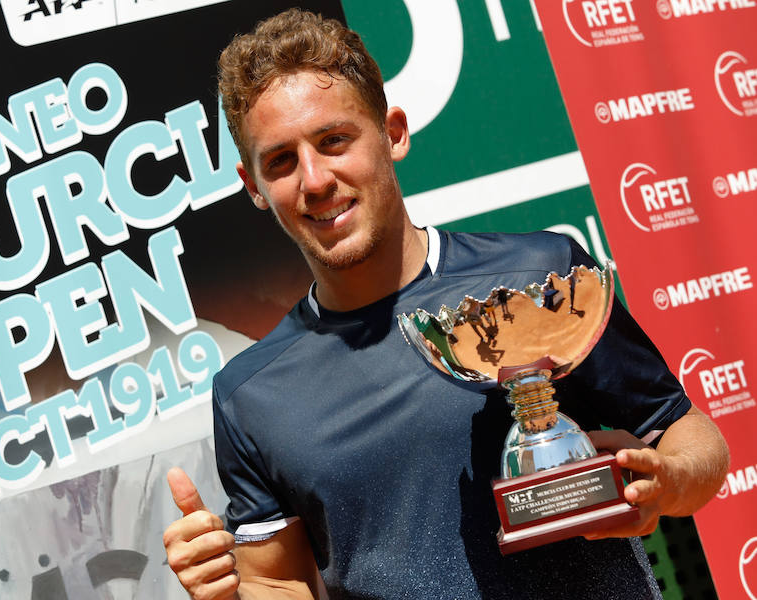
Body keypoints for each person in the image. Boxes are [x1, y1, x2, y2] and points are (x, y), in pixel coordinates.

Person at [161, 8, 729, 599]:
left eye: (334, 141)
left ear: (393, 133)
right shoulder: (250, 395)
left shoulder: (538, 281)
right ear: (253, 186)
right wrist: (229, 592)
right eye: (280, 160)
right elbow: (277, 581)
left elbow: (688, 433)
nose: (315, 179)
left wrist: (668, 481)